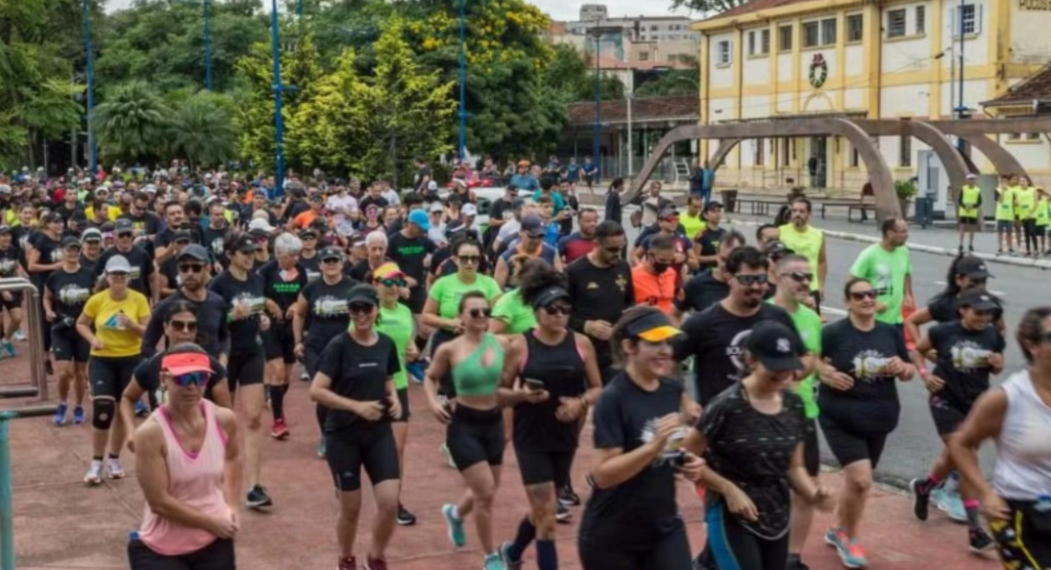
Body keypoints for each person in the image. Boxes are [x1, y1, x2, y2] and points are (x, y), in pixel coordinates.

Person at [685, 321, 832, 570]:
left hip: (777, 513)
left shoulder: (794, 405)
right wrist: (727, 488)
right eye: (774, 367)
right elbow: (686, 456)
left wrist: (814, 493)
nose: (783, 375)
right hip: (732, 514)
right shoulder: (726, 406)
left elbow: (794, 467)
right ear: (751, 360)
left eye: (788, 367)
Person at [576, 306, 704, 570]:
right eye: (654, 343)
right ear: (629, 346)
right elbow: (602, 474)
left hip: (663, 525)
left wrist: (686, 460)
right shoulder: (613, 399)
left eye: (667, 342)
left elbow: (669, 446)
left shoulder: (671, 389)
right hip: (612, 537)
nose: (665, 351)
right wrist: (654, 447)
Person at [497, 265, 603, 570]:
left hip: (565, 435)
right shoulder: (519, 346)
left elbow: (597, 388)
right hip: (530, 437)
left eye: (566, 309)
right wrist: (522, 396)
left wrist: (581, 403)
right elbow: (499, 394)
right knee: (548, 518)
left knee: (543, 511)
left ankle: (513, 552)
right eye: (552, 309)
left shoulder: (581, 344)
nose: (560, 315)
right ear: (536, 311)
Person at [815, 277, 915, 569]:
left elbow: (908, 370)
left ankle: (836, 528)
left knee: (856, 481)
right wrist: (826, 374)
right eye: (859, 296)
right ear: (847, 302)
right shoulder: (833, 333)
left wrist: (903, 368)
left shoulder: (889, 332)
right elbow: (809, 361)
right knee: (861, 480)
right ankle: (851, 538)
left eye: (871, 295)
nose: (867, 300)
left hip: (879, 417)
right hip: (839, 415)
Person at [948, 307, 1051, 570]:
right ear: (1032, 346)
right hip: (1020, 513)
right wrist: (986, 493)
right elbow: (961, 443)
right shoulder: (1007, 398)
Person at [309, 284, 403, 570]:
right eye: (354, 309)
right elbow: (316, 391)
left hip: (378, 433)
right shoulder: (338, 346)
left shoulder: (386, 343)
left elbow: (388, 378)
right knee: (351, 507)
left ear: (376, 310)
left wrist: (395, 398)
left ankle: (376, 556)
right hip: (343, 434)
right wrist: (356, 406)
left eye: (366, 308)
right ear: (349, 312)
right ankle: (346, 557)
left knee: (389, 502)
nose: (361, 315)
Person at [128, 344, 242, 570]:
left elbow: (233, 458)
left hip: (213, 539)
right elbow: (159, 502)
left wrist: (232, 506)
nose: (192, 386)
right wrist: (211, 522)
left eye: (199, 378)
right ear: (164, 379)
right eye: (182, 379)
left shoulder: (224, 420)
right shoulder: (150, 434)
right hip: (160, 548)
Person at [909, 289, 1004, 553]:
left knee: (953, 457)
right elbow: (917, 350)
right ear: (963, 310)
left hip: (975, 404)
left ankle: (925, 487)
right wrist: (925, 375)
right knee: (966, 458)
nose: (983, 318)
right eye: (978, 312)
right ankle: (975, 530)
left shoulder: (992, 334)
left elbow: (997, 365)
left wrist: (997, 364)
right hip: (945, 400)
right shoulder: (944, 332)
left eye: (987, 313)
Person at [424, 292, 512, 570]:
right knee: (485, 492)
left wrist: (509, 421)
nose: (482, 316)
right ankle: (491, 556)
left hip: (494, 423)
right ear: (461, 316)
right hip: (464, 425)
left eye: (485, 311)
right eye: (474, 312)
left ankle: (455, 513)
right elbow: (430, 377)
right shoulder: (450, 349)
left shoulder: (502, 343)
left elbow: (509, 383)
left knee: (488, 489)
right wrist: (432, 402)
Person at [673, 246, 796, 406]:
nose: (755, 286)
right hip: (717, 423)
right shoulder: (703, 322)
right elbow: (668, 360)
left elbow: (801, 358)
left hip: (768, 419)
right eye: (747, 279)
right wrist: (686, 401)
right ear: (729, 278)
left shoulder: (779, 317)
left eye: (761, 279)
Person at [767, 254, 824, 570]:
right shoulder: (763, 315)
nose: (805, 283)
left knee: (806, 487)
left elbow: (815, 362)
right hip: (767, 415)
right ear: (777, 276)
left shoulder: (813, 318)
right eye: (797, 276)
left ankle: (793, 556)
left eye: (808, 277)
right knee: (768, 486)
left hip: (805, 414)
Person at [209, 233, 272, 510]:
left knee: (255, 418)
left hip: (252, 351)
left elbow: (256, 312)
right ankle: (214, 480)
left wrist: (262, 319)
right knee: (223, 419)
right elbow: (210, 320)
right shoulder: (219, 285)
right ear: (230, 254)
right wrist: (232, 316)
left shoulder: (258, 280)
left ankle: (254, 486)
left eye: (253, 252)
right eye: (244, 252)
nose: (250, 256)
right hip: (225, 355)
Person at [75, 254, 151, 484]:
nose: (118, 278)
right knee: (103, 407)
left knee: (122, 408)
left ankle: (114, 459)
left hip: (130, 358)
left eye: (122, 274)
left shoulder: (138, 299)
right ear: (107, 277)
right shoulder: (97, 300)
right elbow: (81, 323)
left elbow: (148, 332)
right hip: (102, 359)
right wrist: (92, 340)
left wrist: (131, 325)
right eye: (114, 274)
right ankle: (96, 462)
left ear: (128, 277)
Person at [122, 305, 232, 446]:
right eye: (178, 325)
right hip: (162, 444)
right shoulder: (151, 365)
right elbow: (128, 397)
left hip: (200, 444)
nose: (185, 331)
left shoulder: (211, 366)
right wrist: (131, 432)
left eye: (191, 326)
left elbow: (226, 412)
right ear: (166, 327)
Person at [293, 245, 359, 457]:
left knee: (344, 390)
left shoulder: (354, 287)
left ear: (342, 263)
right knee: (322, 392)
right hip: (316, 347)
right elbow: (299, 314)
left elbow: (365, 315)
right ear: (320, 264)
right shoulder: (311, 289)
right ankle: (326, 435)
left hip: (346, 347)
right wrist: (298, 341)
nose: (331, 265)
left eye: (335, 260)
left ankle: (346, 433)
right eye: (326, 261)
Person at [373, 262, 419, 527]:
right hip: (370, 387)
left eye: (397, 283)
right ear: (376, 284)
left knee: (397, 447)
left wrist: (412, 351)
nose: (393, 288)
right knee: (366, 447)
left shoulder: (404, 312)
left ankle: (395, 502)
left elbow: (409, 344)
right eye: (388, 282)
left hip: (399, 384)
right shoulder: (368, 312)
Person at [565, 221, 634, 385]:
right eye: (611, 249)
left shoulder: (623, 267)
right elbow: (559, 313)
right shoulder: (574, 272)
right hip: (583, 350)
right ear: (596, 244)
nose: (617, 253)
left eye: (621, 248)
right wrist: (586, 325)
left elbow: (630, 302)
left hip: (614, 351)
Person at [258, 232, 307, 440]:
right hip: (270, 326)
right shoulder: (266, 271)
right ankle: (278, 420)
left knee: (286, 376)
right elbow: (254, 294)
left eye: (297, 254)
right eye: (291, 255)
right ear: (279, 254)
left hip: (291, 327)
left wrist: (297, 305)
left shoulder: (301, 271)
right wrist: (267, 302)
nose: (295, 258)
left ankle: (272, 397)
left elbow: (305, 296)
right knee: (276, 371)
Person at [44, 236, 95, 425]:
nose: (73, 253)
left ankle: (79, 405)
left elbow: (97, 298)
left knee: (81, 372)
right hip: (61, 328)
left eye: (76, 250)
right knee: (64, 372)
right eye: (69, 250)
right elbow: (47, 296)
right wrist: (49, 311)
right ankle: (63, 403)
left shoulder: (89, 274)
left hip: (82, 329)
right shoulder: (55, 276)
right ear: (62, 252)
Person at [849, 217, 914, 328]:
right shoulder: (869, 254)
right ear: (890, 233)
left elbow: (906, 273)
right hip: (874, 320)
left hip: (897, 320)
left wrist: (907, 293)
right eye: (903, 232)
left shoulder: (904, 252)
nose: (907, 235)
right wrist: (872, 304)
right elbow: (852, 282)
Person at [673, 230, 746, 319]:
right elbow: (674, 315)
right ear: (717, 253)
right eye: (723, 259)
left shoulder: (752, 283)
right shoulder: (697, 283)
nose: (727, 265)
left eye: (733, 260)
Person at [777, 198, 827, 312]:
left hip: (810, 287)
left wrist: (821, 286)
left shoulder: (818, 235)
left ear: (809, 214)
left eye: (801, 211)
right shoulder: (781, 232)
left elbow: (822, 261)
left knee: (811, 323)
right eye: (794, 211)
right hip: (788, 287)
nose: (797, 214)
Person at [631, 235, 678, 316]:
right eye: (662, 260)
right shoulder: (633, 276)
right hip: (643, 321)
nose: (667, 264)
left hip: (667, 322)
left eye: (671, 260)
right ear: (650, 255)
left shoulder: (671, 273)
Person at [694, 201, 725, 271]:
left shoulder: (725, 233)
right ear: (705, 215)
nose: (717, 214)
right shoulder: (701, 234)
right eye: (713, 211)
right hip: (706, 272)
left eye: (719, 211)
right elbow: (695, 257)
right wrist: (714, 258)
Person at [957, 174, 982, 253]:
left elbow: (979, 201)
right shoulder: (963, 189)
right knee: (962, 227)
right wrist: (964, 206)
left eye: (973, 179)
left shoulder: (977, 190)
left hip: (973, 211)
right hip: (964, 211)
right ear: (967, 180)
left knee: (972, 228)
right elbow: (959, 200)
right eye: (970, 179)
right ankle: (961, 244)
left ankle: (970, 244)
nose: (972, 181)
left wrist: (973, 206)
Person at [994, 175, 1016, 256]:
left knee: (1009, 232)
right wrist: (1003, 191)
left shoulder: (1012, 191)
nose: (1004, 183)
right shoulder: (997, 190)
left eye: (1005, 181)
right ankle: (1000, 248)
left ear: (1008, 182)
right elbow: (1000, 200)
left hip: (1009, 214)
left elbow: (1014, 202)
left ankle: (1010, 248)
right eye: (1002, 181)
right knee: (1000, 232)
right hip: (1000, 214)